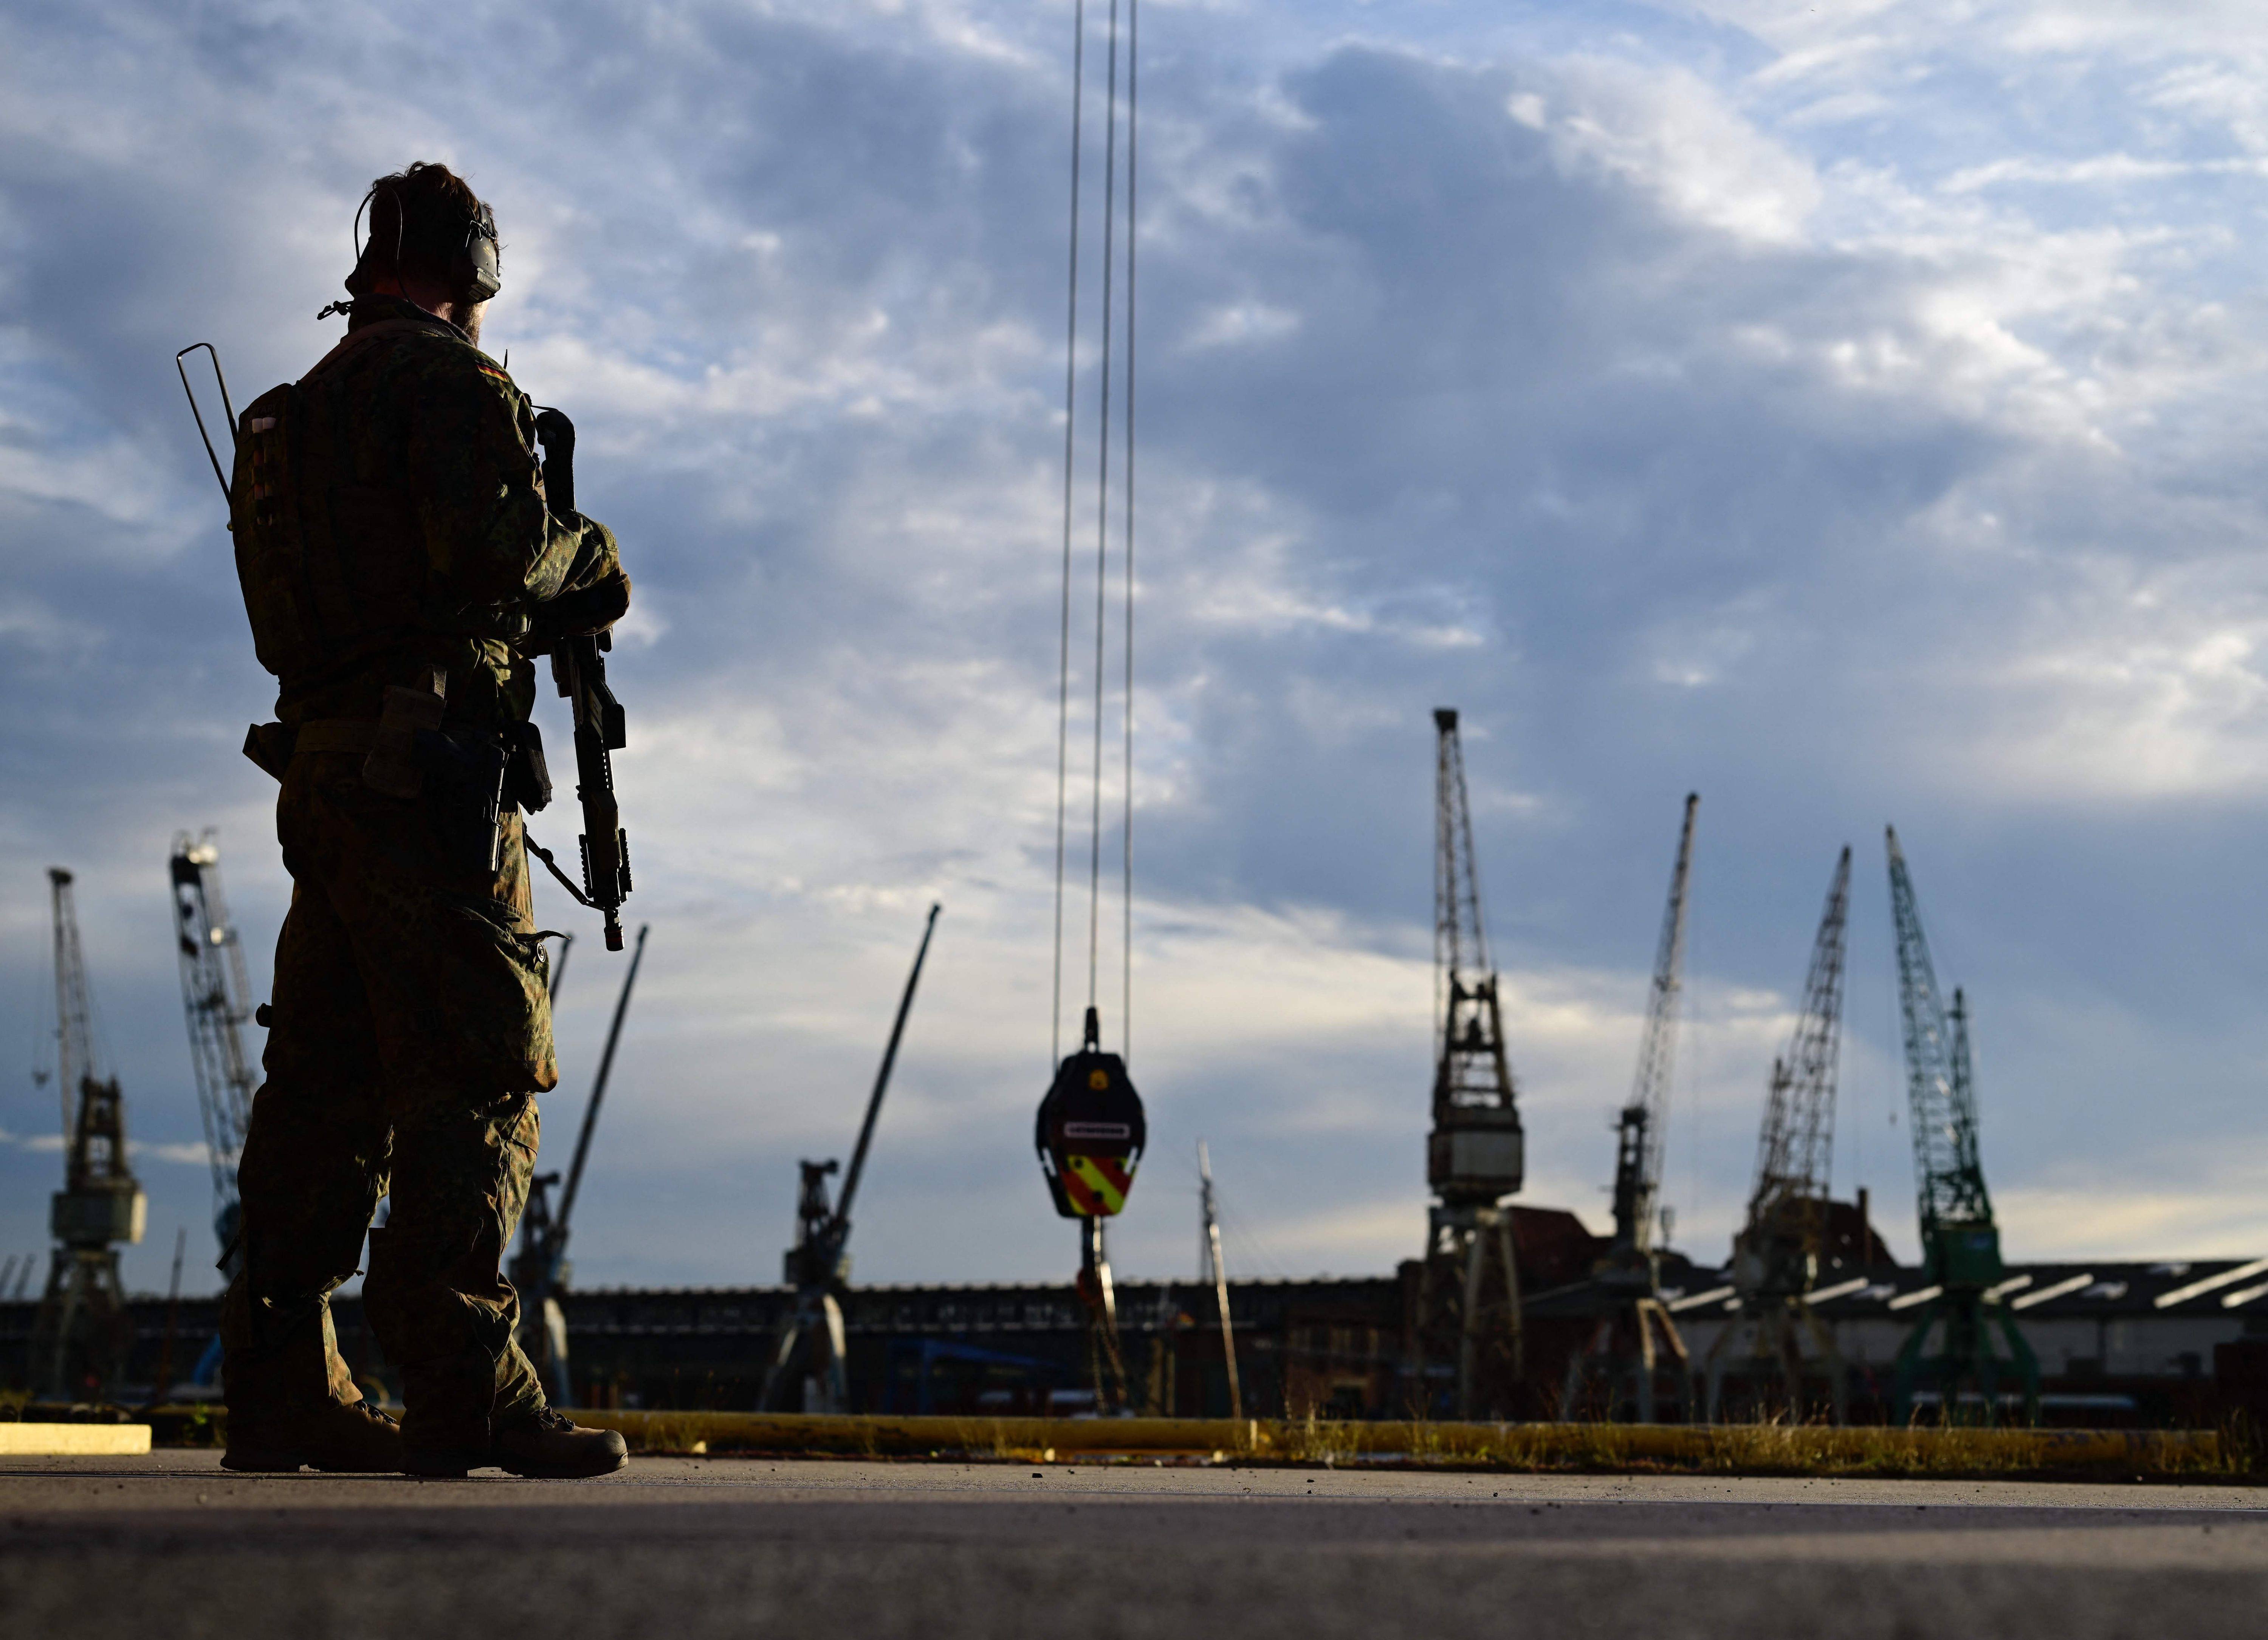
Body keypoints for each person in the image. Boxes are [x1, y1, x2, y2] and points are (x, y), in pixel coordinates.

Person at [219, 161, 632, 1479]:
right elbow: (510, 557)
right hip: (434, 782)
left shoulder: (290, 415)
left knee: (322, 1092)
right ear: (475, 268)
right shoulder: (452, 386)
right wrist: (594, 558)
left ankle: (281, 1386)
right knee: (476, 1065)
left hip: (326, 781)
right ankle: (465, 1382)